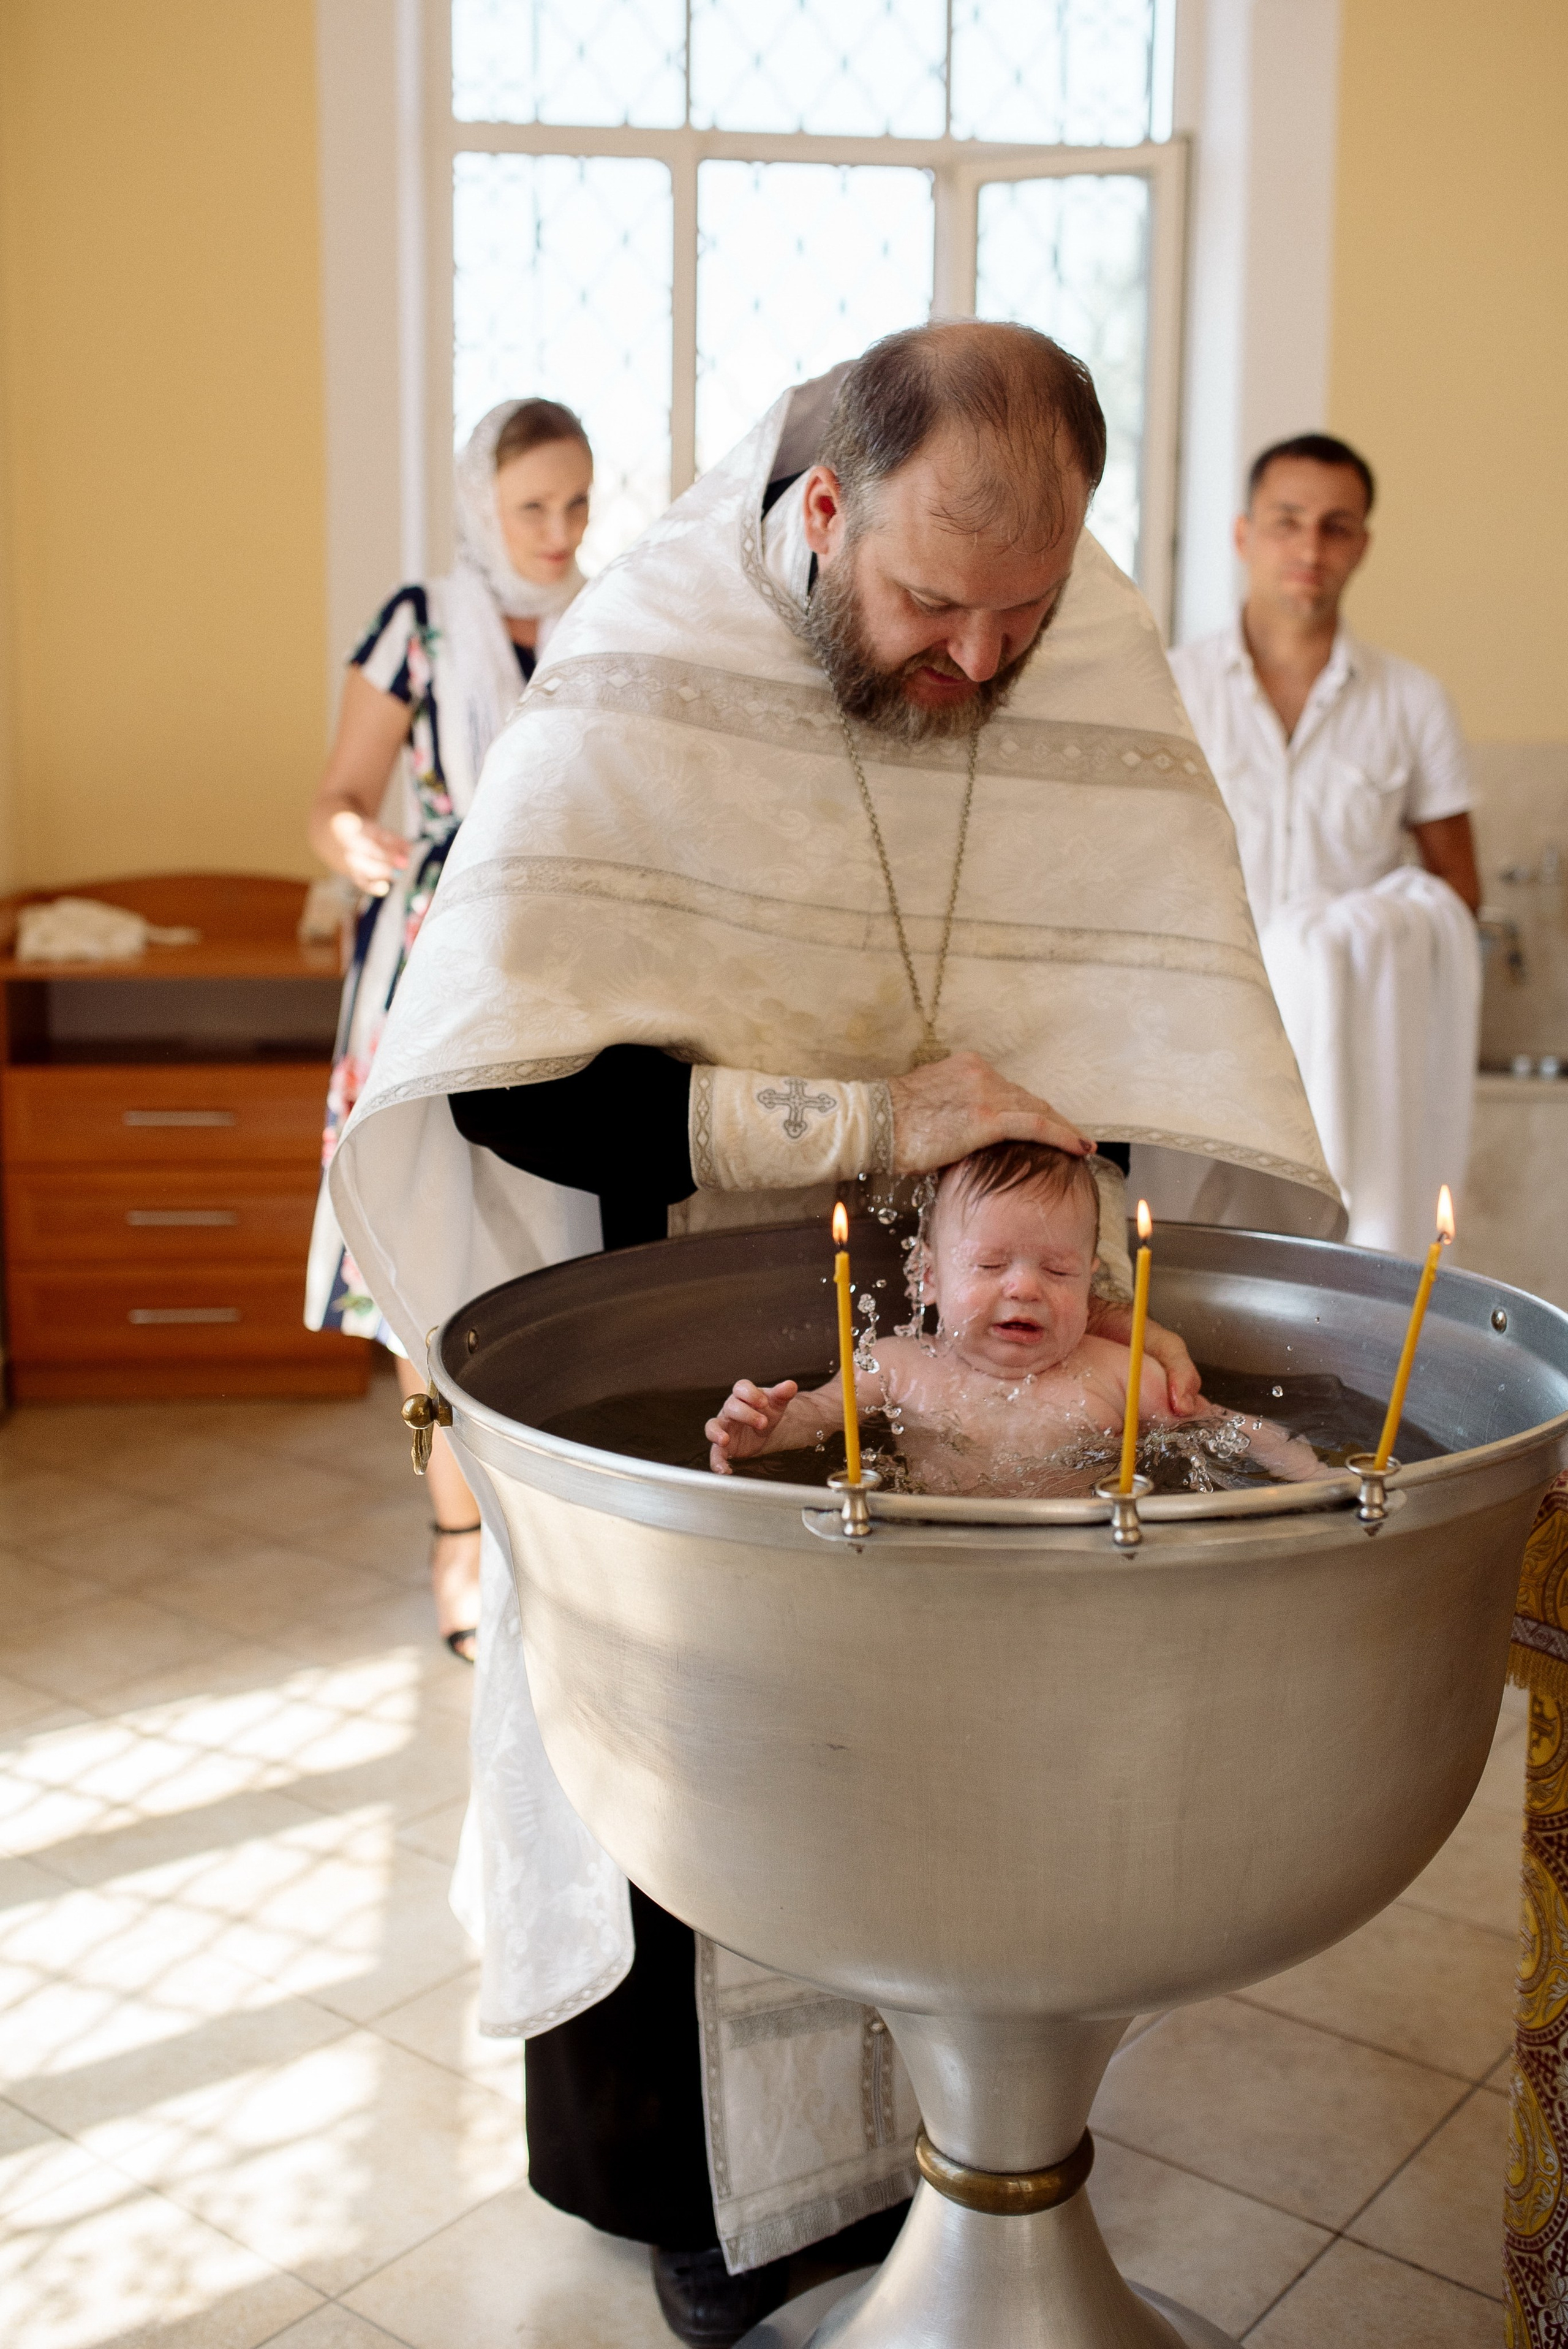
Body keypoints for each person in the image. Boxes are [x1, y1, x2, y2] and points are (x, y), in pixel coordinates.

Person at [329, 325, 1340, 2346]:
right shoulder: (646, 659)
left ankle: (955, 2153)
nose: (978, 664)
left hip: (990, 1330)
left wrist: (1037, 1210)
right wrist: (861, 1122)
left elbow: (1137, 1023)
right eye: (932, 608)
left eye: (1024, 619)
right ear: (817, 514)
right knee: (702, 1747)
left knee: (960, 1754)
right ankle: (718, 2205)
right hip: (682, 1293)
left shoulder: (1090, 646)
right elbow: (514, 1074)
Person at [303, 399, 594, 1658]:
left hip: (569, 964)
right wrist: (350, 843)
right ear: (483, 501)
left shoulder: (612, 622)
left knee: (550, 1250)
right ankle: (456, 1536)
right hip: (428, 964)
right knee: (425, 1264)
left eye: (578, 503)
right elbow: (335, 796)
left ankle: (559, 1548)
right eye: (532, 505)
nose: (557, 529)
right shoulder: (419, 624)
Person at [1170, 435, 1483, 1252]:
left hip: (1351, 1066)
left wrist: (1362, 938)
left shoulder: (1414, 702)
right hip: (1200, 1050)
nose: (1310, 549)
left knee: (1347, 1281)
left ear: (1364, 545)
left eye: (1337, 527)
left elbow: (1459, 888)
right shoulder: (1168, 688)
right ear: (1243, 535)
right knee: (1188, 1266)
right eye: (1288, 522)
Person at [707, 1140, 1324, 1492]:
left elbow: (1226, 1430)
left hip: (1080, 1566)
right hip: (928, 1561)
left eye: (1057, 1271)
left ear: (1090, 1283)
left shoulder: (1115, 1372)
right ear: (928, 1277)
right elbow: (819, 1413)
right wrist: (767, 1427)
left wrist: (1318, 1478)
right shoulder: (898, 1366)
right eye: (989, 1265)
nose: (1024, 1287)